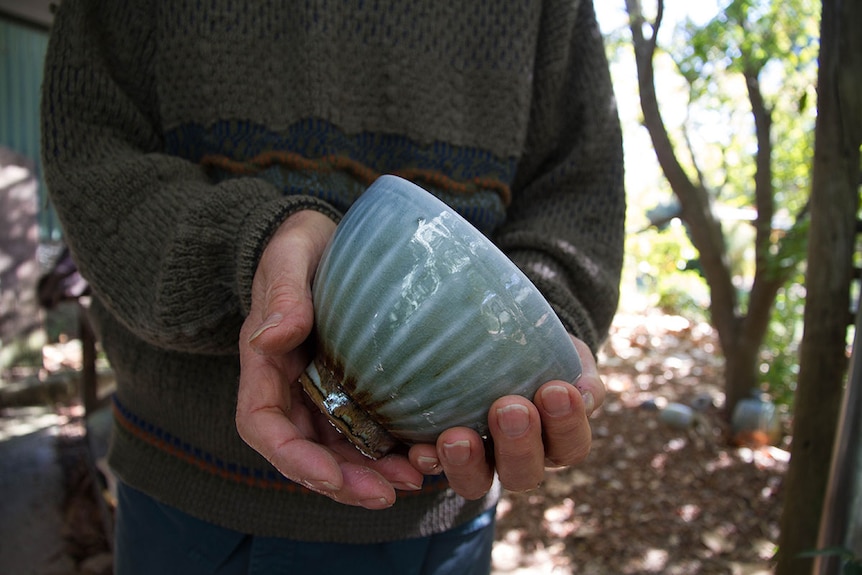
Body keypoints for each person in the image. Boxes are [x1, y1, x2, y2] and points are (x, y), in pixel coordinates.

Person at [41, 0, 625, 573]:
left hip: (444, 512)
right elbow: (91, 149)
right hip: (196, 504)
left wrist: (538, 337)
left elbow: (575, 189)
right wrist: (257, 244)